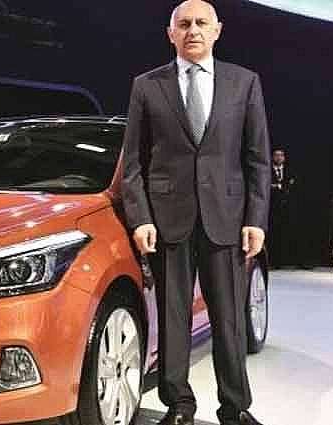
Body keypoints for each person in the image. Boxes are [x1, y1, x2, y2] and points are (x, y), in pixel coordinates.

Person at [120, 1, 270, 424]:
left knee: (230, 319)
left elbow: (257, 159)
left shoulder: (245, 83)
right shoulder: (147, 86)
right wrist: (140, 218)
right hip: (168, 220)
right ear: (170, 34)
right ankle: (179, 407)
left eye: (201, 23)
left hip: (227, 219)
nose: (193, 30)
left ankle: (235, 409)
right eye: (183, 24)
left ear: (217, 30)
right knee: (173, 319)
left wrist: (256, 219)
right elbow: (133, 162)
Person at [267, 148, 297, 268]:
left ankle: (287, 260)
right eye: (276, 155)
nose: (279, 157)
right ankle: (273, 261)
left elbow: (291, 186)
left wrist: (280, 187)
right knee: (273, 235)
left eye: (281, 155)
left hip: (287, 209)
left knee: (286, 234)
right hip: (272, 209)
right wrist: (276, 187)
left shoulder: (290, 171)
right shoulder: (267, 171)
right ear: (272, 157)